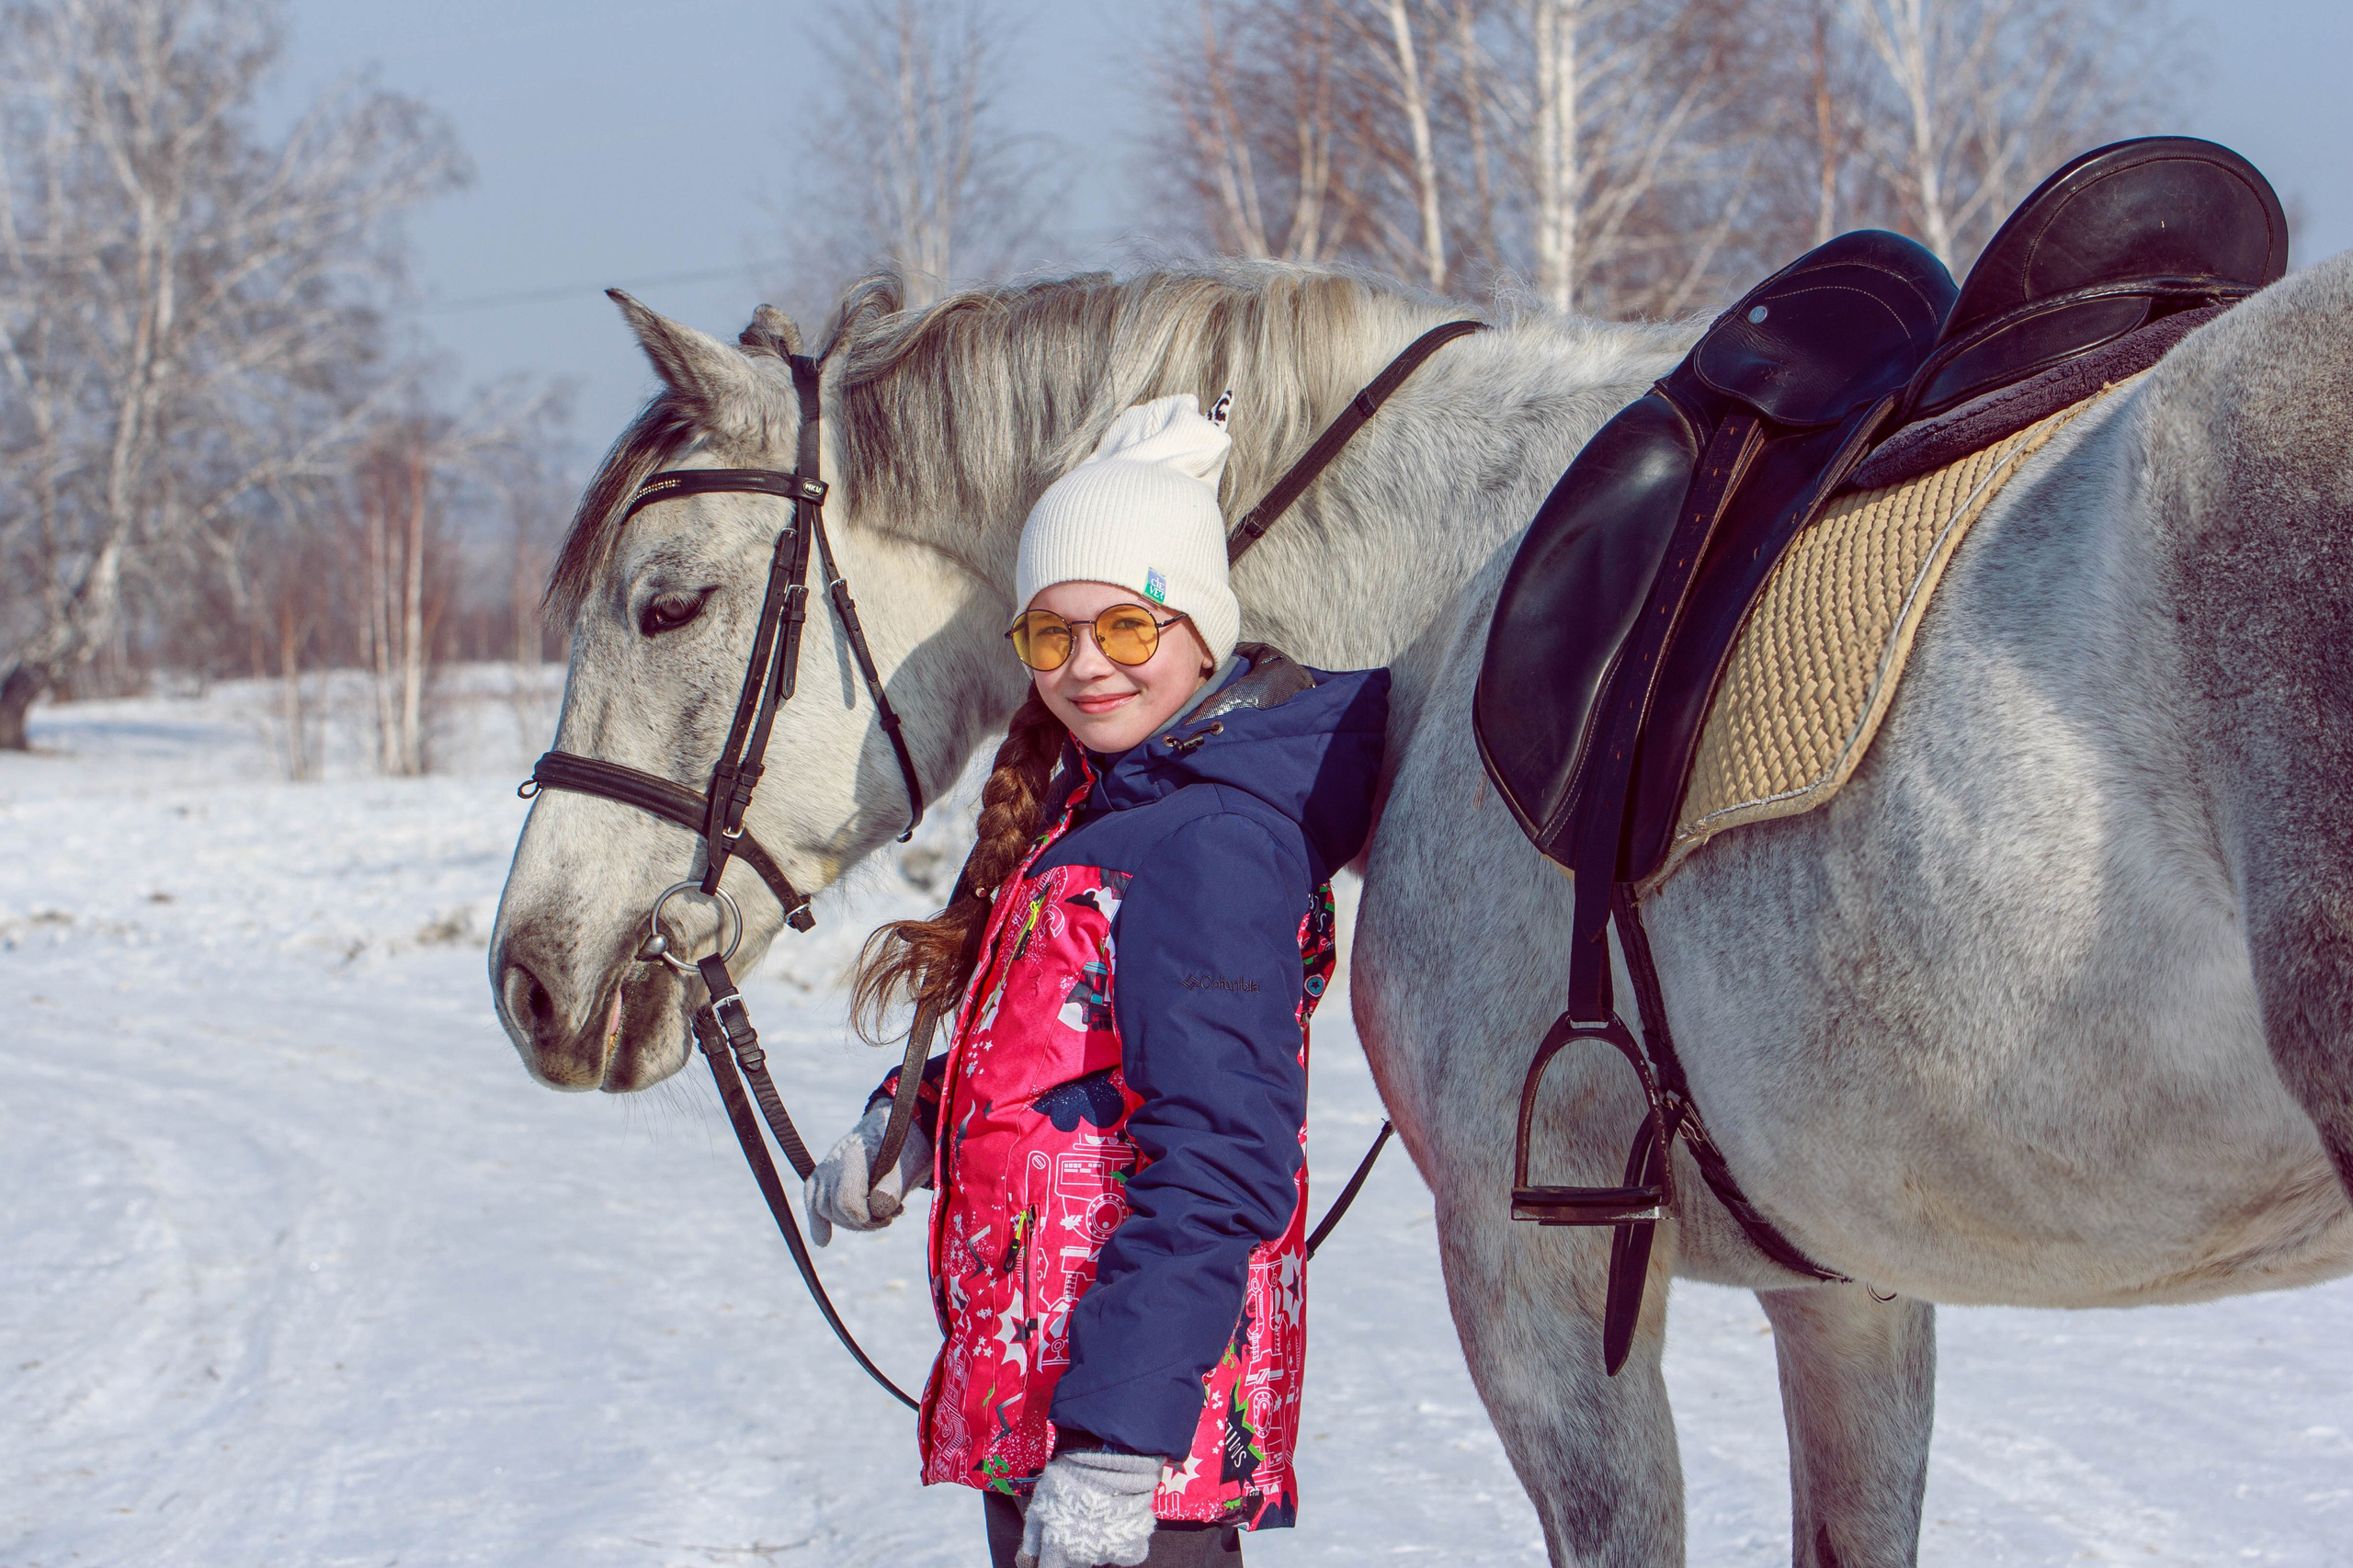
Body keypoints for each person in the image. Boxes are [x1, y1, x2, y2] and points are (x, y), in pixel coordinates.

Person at [803, 392, 1389, 1568]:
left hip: (1134, 1430)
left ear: (1202, 630)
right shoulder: (1096, 815)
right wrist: (910, 1123)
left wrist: (1117, 1441)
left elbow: (1223, 1154)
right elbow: (1059, 1053)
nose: (1085, 667)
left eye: (1127, 628)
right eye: (1050, 635)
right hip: (1048, 1394)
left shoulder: (1213, 839)